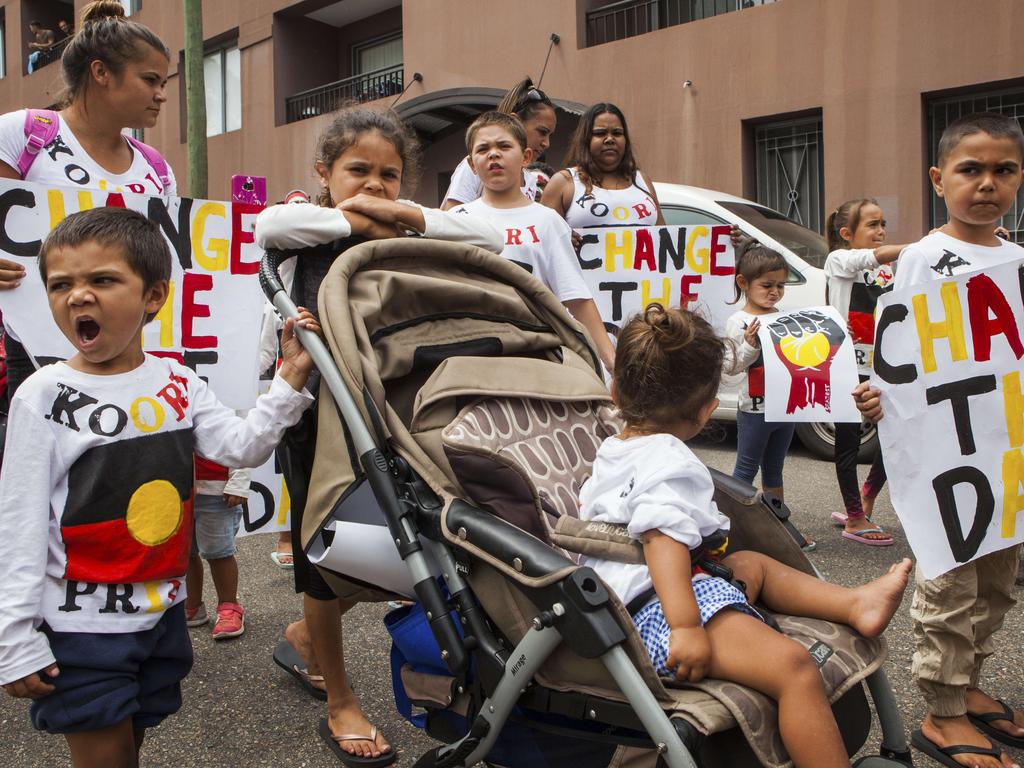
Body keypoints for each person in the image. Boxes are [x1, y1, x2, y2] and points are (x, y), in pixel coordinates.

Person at [0, 207, 317, 768]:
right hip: (79, 629)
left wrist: (289, 379)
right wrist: (14, 638)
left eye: (102, 280)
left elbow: (241, 447)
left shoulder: (178, 382)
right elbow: (19, 521)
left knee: (134, 741)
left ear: (154, 297)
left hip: (160, 618)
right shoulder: (42, 395)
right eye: (61, 284)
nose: (78, 296)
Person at [254, 104, 502, 767]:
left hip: (392, 412)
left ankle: (305, 638)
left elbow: (489, 239)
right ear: (322, 173)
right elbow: (266, 222)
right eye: (357, 170)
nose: (375, 185)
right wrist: (356, 215)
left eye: (390, 176)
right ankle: (340, 699)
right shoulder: (297, 226)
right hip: (315, 416)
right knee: (326, 558)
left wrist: (405, 217)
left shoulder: (402, 230)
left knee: (402, 543)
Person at [578, 302, 911, 768]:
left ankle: (855, 603)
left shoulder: (613, 449)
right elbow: (661, 538)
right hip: (659, 612)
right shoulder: (670, 462)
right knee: (795, 670)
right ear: (707, 410)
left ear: (615, 391)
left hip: (637, 595)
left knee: (751, 565)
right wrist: (686, 627)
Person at [853, 112, 1024, 768]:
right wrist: (876, 396)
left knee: (996, 582)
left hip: (1000, 454)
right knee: (950, 584)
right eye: (970, 170)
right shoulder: (923, 259)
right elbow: (899, 349)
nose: (987, 184)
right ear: (938, 178)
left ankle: (969, 683)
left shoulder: (1014, 260)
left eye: (1003, 170)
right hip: (947, 459)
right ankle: (943, 714)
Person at [0, 0, 175, 408]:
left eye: (163, 83)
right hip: (32, 351)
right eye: (151, 80)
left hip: (131, 359)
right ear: (101, 73)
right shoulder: (22, 135)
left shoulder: (156, 169)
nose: (161, 95)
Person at [451, 111, 616, 373]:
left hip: (535, 361)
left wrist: (612, 364)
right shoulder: (455, 220)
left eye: (504, 146)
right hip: (471, 361)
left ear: (525, 157)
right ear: (472, 164)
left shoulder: (549, 222)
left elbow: (577, 299)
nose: (494, 154)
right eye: (484, 149)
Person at [823, 198, 907, 546]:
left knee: (894, 437)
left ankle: (866, 500)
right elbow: (867, 258)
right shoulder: (839, 260)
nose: (881, 231)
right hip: (847, 366)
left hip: (884, 365)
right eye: (872, 225)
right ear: (846, 233)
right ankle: (854, 517)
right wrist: (920, 246)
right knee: (848, 444)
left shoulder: (890, 266)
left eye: (883, 223)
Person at [722, 245, 814, 551]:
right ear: (743, 283)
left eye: (780, 286)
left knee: (774, 469)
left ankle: (778, 526)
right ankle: (736, 528)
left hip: (784, 407)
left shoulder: (784, 317)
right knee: (745, 470)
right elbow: (730, 368)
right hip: (754, 409)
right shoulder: (737, 322)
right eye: (767, 285)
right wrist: (749, 345)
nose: (774, 292)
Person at [541, 102, 664, 229]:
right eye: (600, 133)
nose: (610, 139)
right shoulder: (563, 182)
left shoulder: (642, 180)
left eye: (617, 133)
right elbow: (544, 238)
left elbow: (665, 238)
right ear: (585, 139)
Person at [441, 77, 556, 209]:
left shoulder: (530, 181)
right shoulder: (477, 168)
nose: (546, 143)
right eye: (542, 132)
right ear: (516, 121)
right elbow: (451, 222)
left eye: (550, 135)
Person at [184, 459, 252, 639]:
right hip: (176, 490)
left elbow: (240, 446)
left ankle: (229, 606)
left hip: (217, 492)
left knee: (219, 553)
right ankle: (192, 605)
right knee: (184, 553)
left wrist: (238, 484)